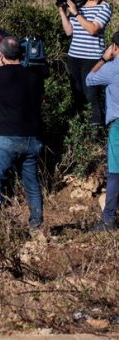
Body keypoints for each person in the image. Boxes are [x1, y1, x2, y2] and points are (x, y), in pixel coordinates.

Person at [0, 36, 46, 230]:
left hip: (6, 137)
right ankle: (36, 224)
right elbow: (41, 99)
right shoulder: (34, 75)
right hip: (32, 138)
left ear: (1, 54)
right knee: (31, 183)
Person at [58, 0, 113, 126]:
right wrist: (62, 11)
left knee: (91, 94)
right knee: (77, 93)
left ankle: (95, 130)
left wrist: (76, 13)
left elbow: (93, 29)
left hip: (92, 58)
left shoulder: (104, 7)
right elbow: (69, 31)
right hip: (74, 57)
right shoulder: (78, 5)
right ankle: (80, 127)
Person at [86, 32, 119, 232]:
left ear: (114, 47)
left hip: (118, 125)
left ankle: (108, 221)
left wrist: (102, 59)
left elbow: (89, 79)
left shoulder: (111, 68)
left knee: (115, 173)